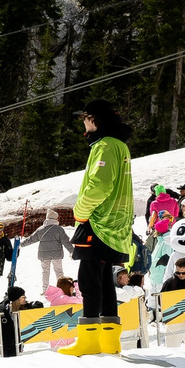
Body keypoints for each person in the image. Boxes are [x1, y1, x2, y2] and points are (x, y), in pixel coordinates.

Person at [65, 101, 135, 354]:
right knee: (105, 282)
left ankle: (89, 340)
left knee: (88, 281)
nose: (83, 124)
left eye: (84, 119)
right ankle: (109, 340)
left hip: (98, 222)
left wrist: (80, 212)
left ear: (94, 120)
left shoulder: (104, 146)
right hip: (116, 224)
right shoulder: (120, 145)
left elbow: (99, 186)